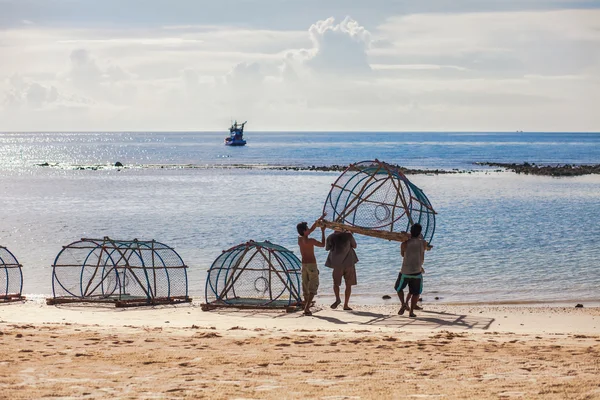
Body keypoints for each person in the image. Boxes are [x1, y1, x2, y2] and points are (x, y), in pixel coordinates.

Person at [395, 223, 428, 317]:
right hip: (417, 272)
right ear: (420, 232)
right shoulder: (423, 243)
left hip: (405, 271)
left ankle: (403, 304)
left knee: (399, 288)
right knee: (416, 293)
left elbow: (402, 254)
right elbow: (421, 240)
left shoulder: (404, 244)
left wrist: (407, 236)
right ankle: (411, 312)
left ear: (411, 232)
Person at [297, 219, 326, 316]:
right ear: (305, 231)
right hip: (312, 265)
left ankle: (306, 307)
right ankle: (306, 308)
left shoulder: (299, 240)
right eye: (307, 229)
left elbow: (311, 229)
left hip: (304, 265)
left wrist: (319, 220)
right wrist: (322, 231)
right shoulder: (311, 241)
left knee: (305, 287)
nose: (310, 229)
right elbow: (323, 245)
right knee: (313, 287)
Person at [325, 228, 358, 311]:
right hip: (349, 263)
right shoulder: (348, 235)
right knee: (348, 284)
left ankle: (337, 299)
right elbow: (354, 246)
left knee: (336, 284)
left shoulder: (331, 237)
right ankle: (346, 305)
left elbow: (327, 248)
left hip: (337, 264)